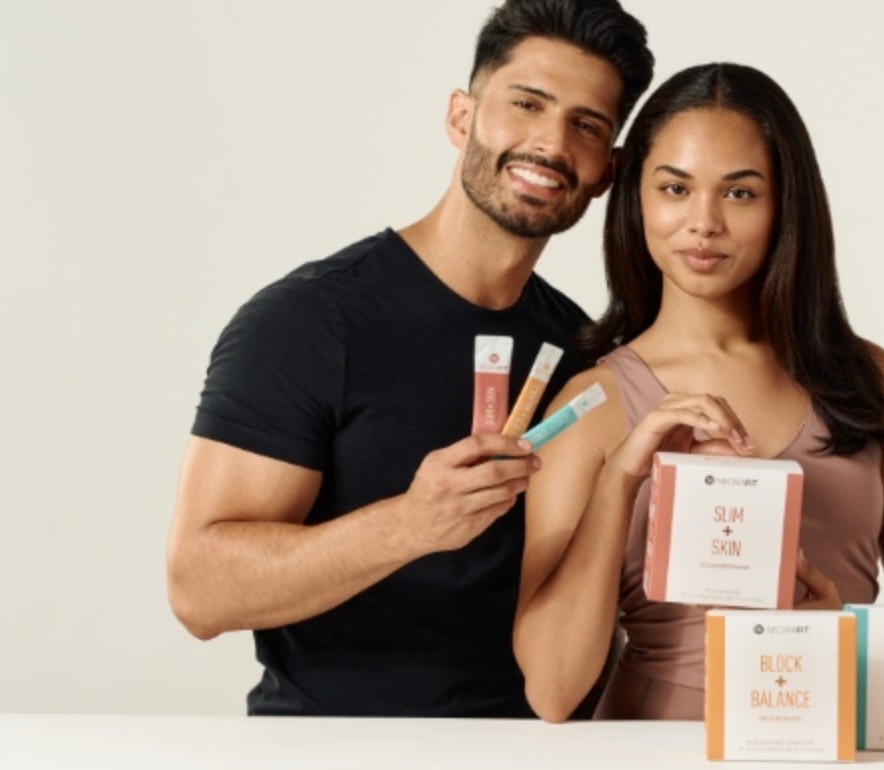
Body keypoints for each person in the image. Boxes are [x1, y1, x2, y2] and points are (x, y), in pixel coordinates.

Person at [165, 0, 654, 717]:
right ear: (461, 117)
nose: (550, 143)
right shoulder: (310, 321)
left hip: (540, 748)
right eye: (527, 103)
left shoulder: (584, 354)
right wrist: (411, 523)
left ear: (606, 170)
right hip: (336, 745)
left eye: (586, 124)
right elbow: (198, 591)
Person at [512, 62, 884, 722]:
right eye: (675, 187)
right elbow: (552, 693)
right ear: (636, 196)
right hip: (650, 754)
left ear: (786, 204)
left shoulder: (866, 378)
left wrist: (837, 631)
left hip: (828, 747)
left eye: (740, 193)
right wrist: (621, 479)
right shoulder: (593, 402)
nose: (703, 222)